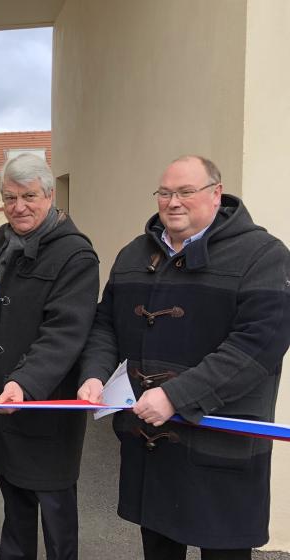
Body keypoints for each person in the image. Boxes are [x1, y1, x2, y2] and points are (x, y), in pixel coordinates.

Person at [78, 155, 290, 559]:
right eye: (165, 192)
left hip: (223, 444)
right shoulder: (133, 254)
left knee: (224, 551)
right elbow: (106, 324)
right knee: (159, 547)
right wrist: (95, 375)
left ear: (215, 194)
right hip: (153, 444)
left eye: (186, 192)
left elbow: (257, 346)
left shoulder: (263, 255)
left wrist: (177, 395)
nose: (173, 202)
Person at [0, 154, 99, 560]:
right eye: (9, 197)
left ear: (50, 195)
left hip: (45, 404)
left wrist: (24, 383)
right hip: (2, 398)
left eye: (29, 196)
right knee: (15, 507)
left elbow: (65, 332)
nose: (19, 206)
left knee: (56, 511)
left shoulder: (75, 254)